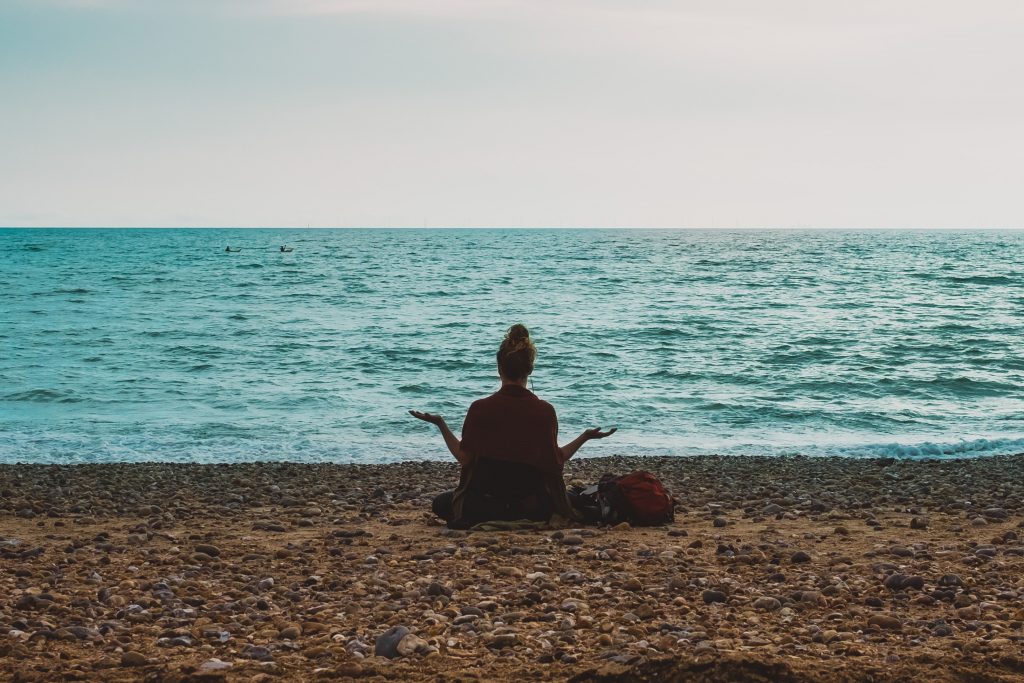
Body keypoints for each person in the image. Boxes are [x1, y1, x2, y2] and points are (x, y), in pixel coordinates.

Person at [410, 324, 615, 528]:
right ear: (530, 369)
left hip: (485, 504)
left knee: (441, 504)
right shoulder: (544, 411)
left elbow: (465, 458)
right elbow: (555, 462)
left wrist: (441, 424)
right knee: (573, 497)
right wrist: (584, 437)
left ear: (499, 368)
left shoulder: (480, 408)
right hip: (531, 506)